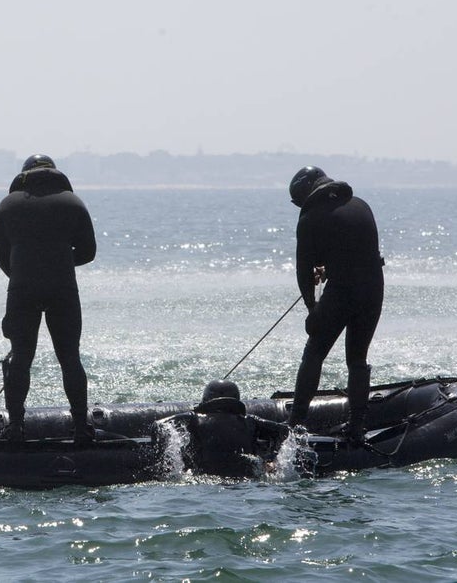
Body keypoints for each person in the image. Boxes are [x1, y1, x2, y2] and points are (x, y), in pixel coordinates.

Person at [0, 154, 97, 443]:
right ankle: (81, 428)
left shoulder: (7, 205)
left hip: (22, 288)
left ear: (24, 175)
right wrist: (57, 262)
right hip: (62, 287)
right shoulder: (73, 203)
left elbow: (4, 259)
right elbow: (88, 252)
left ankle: (15, 428)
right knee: (69, 357)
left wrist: (29, 269)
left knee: (20, 358)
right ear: (55, 173)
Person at [287, 166, 385, 444]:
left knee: (314, 351)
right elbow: (353, 250)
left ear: (305, 193)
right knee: (357, 358)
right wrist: (330, 268)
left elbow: (303, 271)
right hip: (373, 288)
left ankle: (295, 425)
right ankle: (356, 427)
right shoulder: (361, 205)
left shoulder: (310, 218)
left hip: (343, 291)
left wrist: (312, 309)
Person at [156, 380, 290, 478]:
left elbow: (159, 425)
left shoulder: (193, 419)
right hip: (243, 482)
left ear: (205, 401)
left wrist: (174, 459)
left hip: (204, 480)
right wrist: (269, 458)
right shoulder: (251, 421)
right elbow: (285, 431)